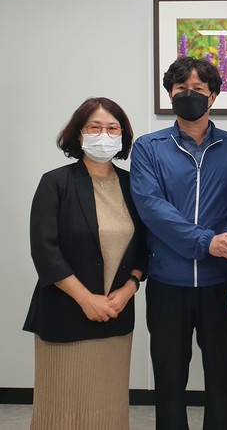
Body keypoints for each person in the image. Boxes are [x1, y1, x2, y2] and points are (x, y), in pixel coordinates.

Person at [130, 57, 227, 429]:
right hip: (168, 282)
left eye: (198, 88)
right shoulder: (149, 148)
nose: (189, 94)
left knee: (222, 377)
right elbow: (151, 207)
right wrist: (205, 241)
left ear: (213, 96)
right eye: (181, 88)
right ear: (170, 94)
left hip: (219, 285)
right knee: (169, 380)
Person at [23, 97, 148, 430]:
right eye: (94, 127)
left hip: (116, 314)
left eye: (112, 128)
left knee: (107, 407)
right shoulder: (56, 183)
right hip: (66, 313)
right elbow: (45, 250)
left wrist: (129, 288)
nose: (103, 135)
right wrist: (85, 298)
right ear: (79, 134)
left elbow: (144, 247)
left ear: (123, 136)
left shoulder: (133, 186)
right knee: (62, 408)